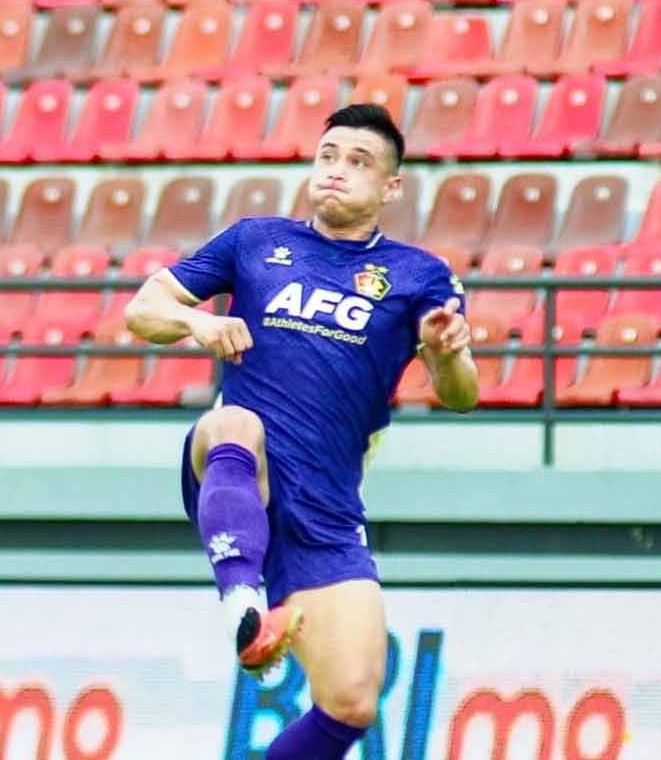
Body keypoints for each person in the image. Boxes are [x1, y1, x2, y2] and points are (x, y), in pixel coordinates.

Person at [124, 104, 478, 759]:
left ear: (391, 187)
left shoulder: (419, 275)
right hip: (238, 471)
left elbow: (463, 395)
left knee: (353, 701)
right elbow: (143, 306)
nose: (337, 170)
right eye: (328, 155)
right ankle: (243, 605)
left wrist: (449, 353)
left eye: (359, 161)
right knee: (233, 420)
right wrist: (200, 325)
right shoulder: (254, 240)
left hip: (326, 510)